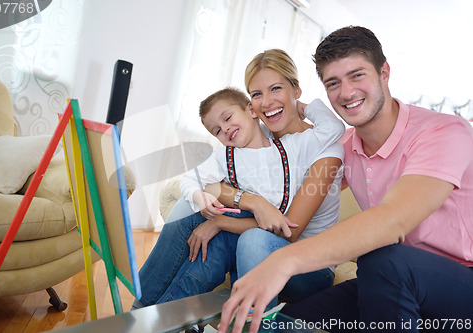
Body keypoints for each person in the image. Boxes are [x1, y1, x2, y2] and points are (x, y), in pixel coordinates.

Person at [217, 26, 473, 333]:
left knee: (382, 257)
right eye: (333, 83)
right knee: (288, 324)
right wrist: (238, 197)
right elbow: (285, 191)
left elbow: (392, 222)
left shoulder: (443, 132)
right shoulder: (344, 147)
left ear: (384, 72)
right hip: (387, 282)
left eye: (357, 75)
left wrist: (284, 261)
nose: (346, 92)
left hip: (460, 285)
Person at [131, 49, 345, 309]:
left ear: (296, 90)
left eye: (276, 89)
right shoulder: (257, 137)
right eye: (257, 94)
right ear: (250, 104)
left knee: (247, 239)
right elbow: (208, 182)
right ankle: (145, 314)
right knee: (190, 213)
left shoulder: (321, 147)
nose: (266, 102)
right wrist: (251, 201)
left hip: (308, 262)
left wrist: (220, 222)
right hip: (259, 232)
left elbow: (289, 230)